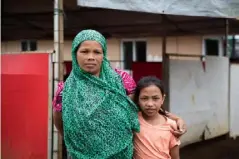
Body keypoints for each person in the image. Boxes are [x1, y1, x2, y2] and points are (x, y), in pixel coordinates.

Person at [52, 29, 186, 159]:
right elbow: (59, 121)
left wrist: (176, 119)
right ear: (75, 53)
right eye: (84, 51)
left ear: (103, 55)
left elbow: (142, 106)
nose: (91, 57)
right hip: (80, 154)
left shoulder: (121, 80)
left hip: (121, 154)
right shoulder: (65, 90)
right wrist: (79, 140)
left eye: (97, 52)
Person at [133, 76, 180, 159]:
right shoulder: (133, 120)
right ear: (137, 100)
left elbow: (175, 157)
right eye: (144, 98)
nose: (150, 104)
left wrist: (178, 120)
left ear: (162, 99)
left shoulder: (171, 125)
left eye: (155, 98)